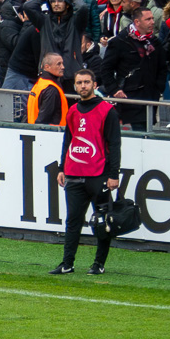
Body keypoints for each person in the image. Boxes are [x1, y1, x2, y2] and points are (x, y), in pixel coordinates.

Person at [50, 68, 122, 276]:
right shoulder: (72, 110)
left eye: (87, 82)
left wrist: (113, 174)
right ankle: (67, 263)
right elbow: (68, 141)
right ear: (75, 86)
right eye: (79, 82)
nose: (83, 86)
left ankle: (98, 263)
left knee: (102, 222)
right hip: (74, 173)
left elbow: (115, 145)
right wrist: (62, 168)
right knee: (72, 221)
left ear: (94, 85)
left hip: (98, 175)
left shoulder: (107, 110)